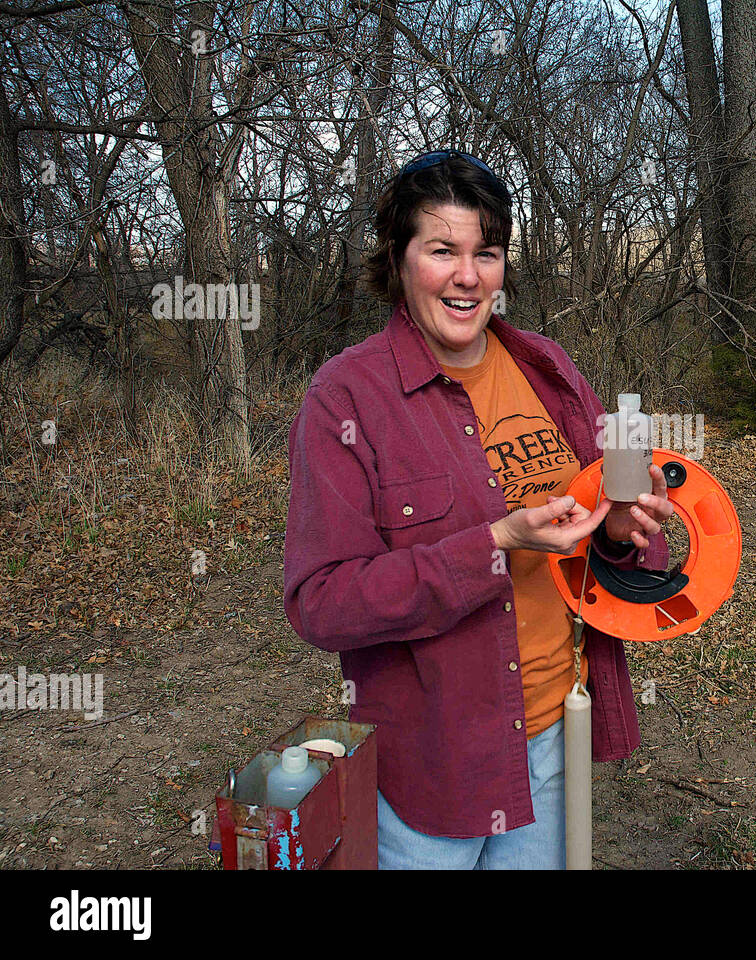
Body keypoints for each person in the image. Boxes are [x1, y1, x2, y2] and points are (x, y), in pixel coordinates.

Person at [283, 150, 673, 869]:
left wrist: (619, 535)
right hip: (430, 760)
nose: (468, 277)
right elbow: (323, 603)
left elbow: (612, 550)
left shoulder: (546, 369)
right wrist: (496, 544)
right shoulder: (344, 399)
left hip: (554, 732)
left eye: (486, 253)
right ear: (398, 261)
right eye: (442, 250)